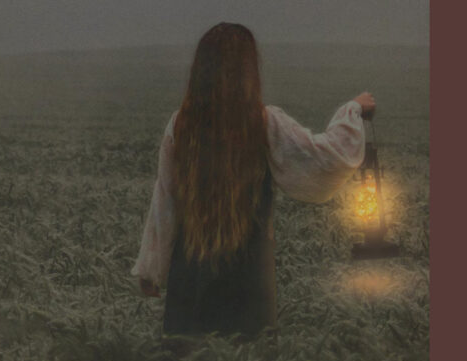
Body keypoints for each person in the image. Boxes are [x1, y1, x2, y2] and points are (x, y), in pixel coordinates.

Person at [131, 23, 373, 339]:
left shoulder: (180, 123)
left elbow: (164, 201)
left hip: (190, 280)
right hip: (249, 280)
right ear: (247, 70)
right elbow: (324, 157)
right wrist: (353, 109)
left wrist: (152, 268)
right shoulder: (263, 121)